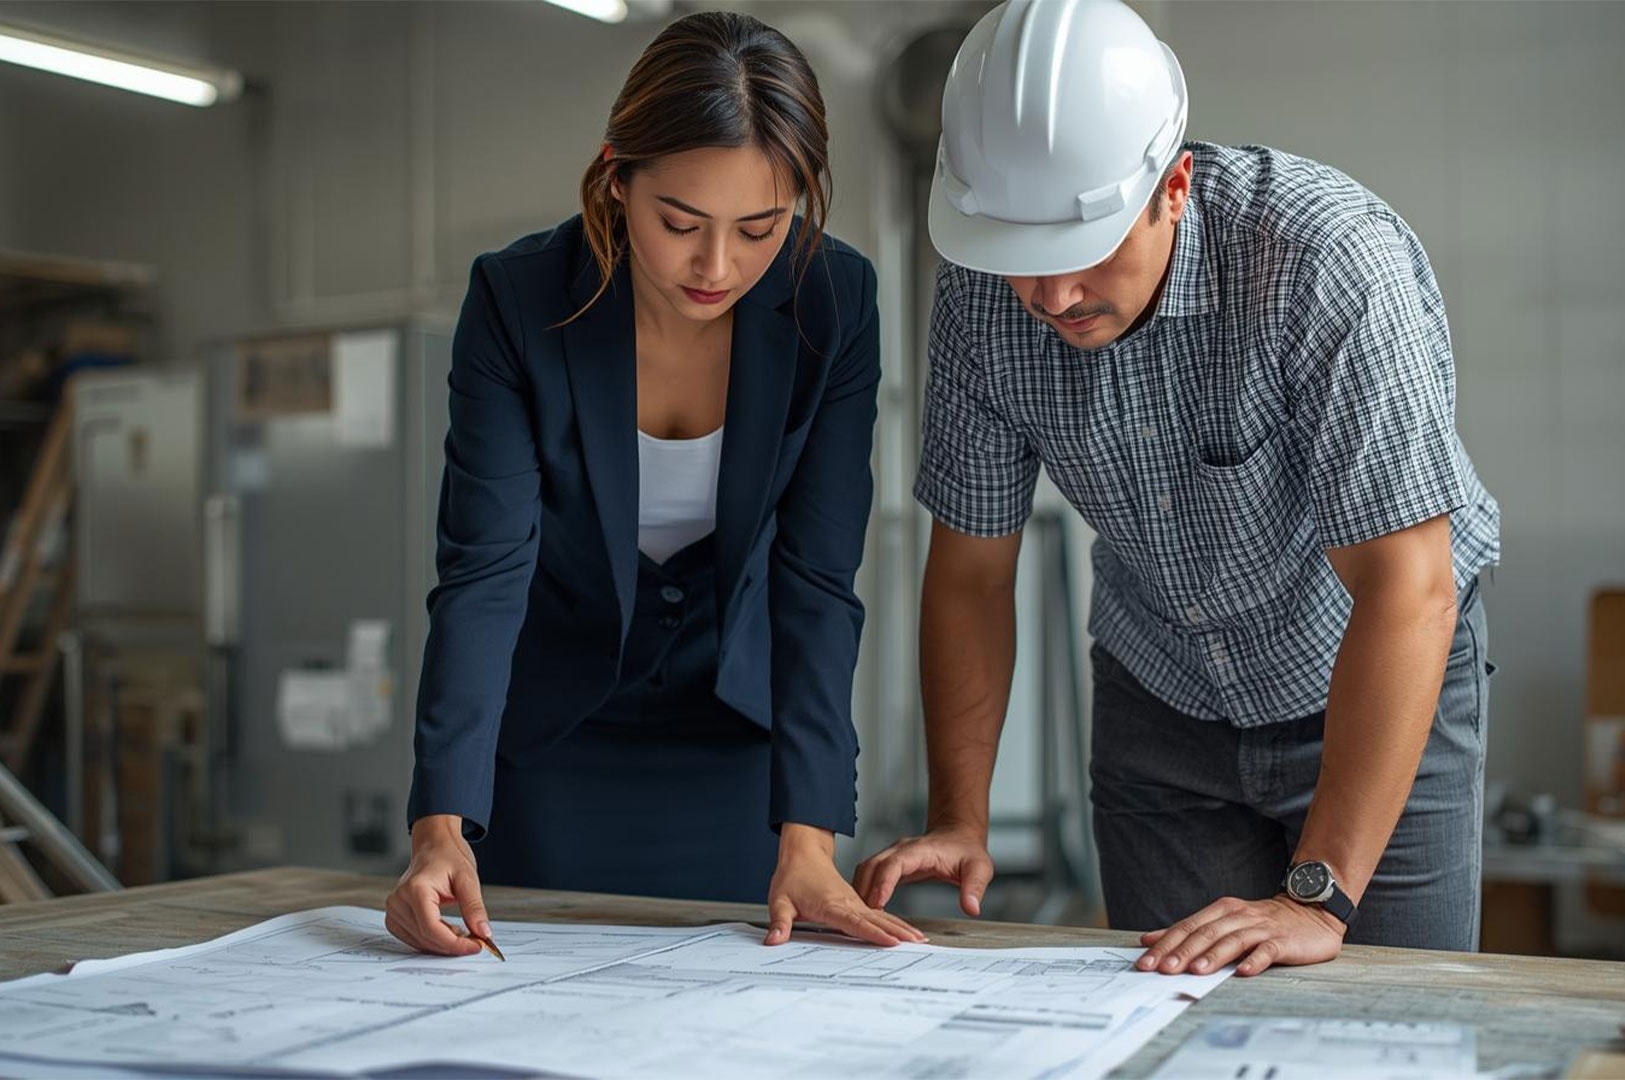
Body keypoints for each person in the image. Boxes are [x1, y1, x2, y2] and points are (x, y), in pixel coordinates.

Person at [855, 0, 1499, 977]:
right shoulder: (985, 293)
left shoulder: (1324, 263)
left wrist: (1314, 897)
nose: (1053, 296)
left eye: (1083, 252)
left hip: (1369, 675)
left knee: (1389, 1026)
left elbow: (1408, 587)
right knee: (1165, 1026)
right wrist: (959, 814)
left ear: (1174, 187)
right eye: (1023, 261)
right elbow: (970, 573)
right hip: (1159, 693)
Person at [386, 10, 923, 958]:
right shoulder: (520, 301)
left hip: (736, 743)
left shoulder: (834, 299)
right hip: (557, 734)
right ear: (615, 176)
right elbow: (483, 571)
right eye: (679, 223)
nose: (717, 267)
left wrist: (811, 836)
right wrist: (440, 827)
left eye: (759, 228)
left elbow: (816, 580)